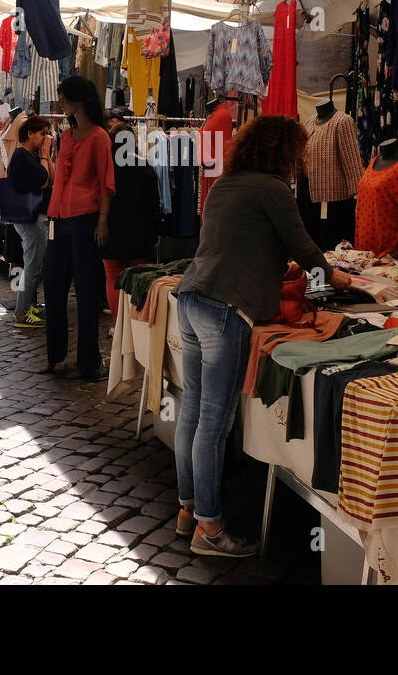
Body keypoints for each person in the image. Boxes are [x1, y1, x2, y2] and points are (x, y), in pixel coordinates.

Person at [173, 115, 352, 557]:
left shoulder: (226, 185)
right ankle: (209, 530)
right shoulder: (273, 188)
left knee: (192, 412)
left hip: (191, 299)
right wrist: (336, 278)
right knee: (214, 424)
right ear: (282, 151)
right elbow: (303, 246)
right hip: (224, 308)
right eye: (299, 152)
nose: (301, 160)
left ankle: (188, 509)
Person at [42, 75, 116, 381]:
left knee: (86, 293)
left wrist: (102, 221)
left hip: (85, 219)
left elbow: (106, 183)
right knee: (53, 288)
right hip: (58, 219)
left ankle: (89, 361)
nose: (61, 103)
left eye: (65, 98)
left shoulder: (99, 137)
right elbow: (61, 178)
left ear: (79, 100)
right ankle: (56, 357)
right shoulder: (67, 137)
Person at [101, 121, 162, 319]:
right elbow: (154, 202)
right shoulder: (144, 166)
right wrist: (157, 230)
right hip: (139, 229)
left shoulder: (104, 167)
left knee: (112, 277)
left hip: (110, 228)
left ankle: (119, 325)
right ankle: (138, 324)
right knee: (142, 277)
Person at [6, 115, 53, 328]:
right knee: (33, 266)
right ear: (30, 134)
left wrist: (46, 156)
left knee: (36, 264)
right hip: (29, 218)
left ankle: (28, 305)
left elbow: (51, 177)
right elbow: (43, 181)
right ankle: (22, 312)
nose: (45, 137)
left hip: (36, 217)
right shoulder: (22, 157)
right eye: (42, 133)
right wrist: (44, 155)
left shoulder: (31, 156)